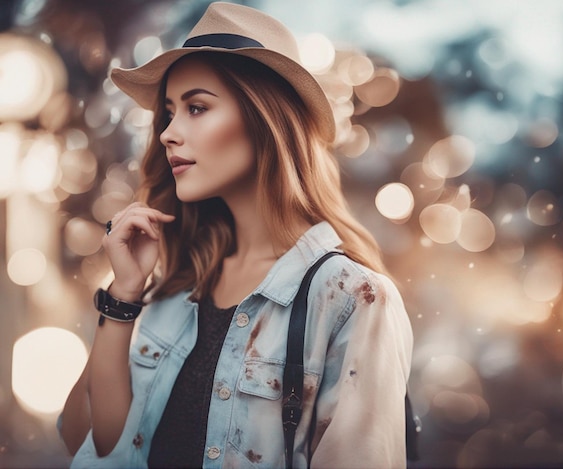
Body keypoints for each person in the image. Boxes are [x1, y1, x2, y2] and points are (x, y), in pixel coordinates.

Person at [59, 2, 413, 468]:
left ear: (265, 120)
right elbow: (85, 437)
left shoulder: (352, 299)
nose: (168, 133)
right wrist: (123, 296)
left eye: (197, 107)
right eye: (169, 113)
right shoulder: (180, 278)